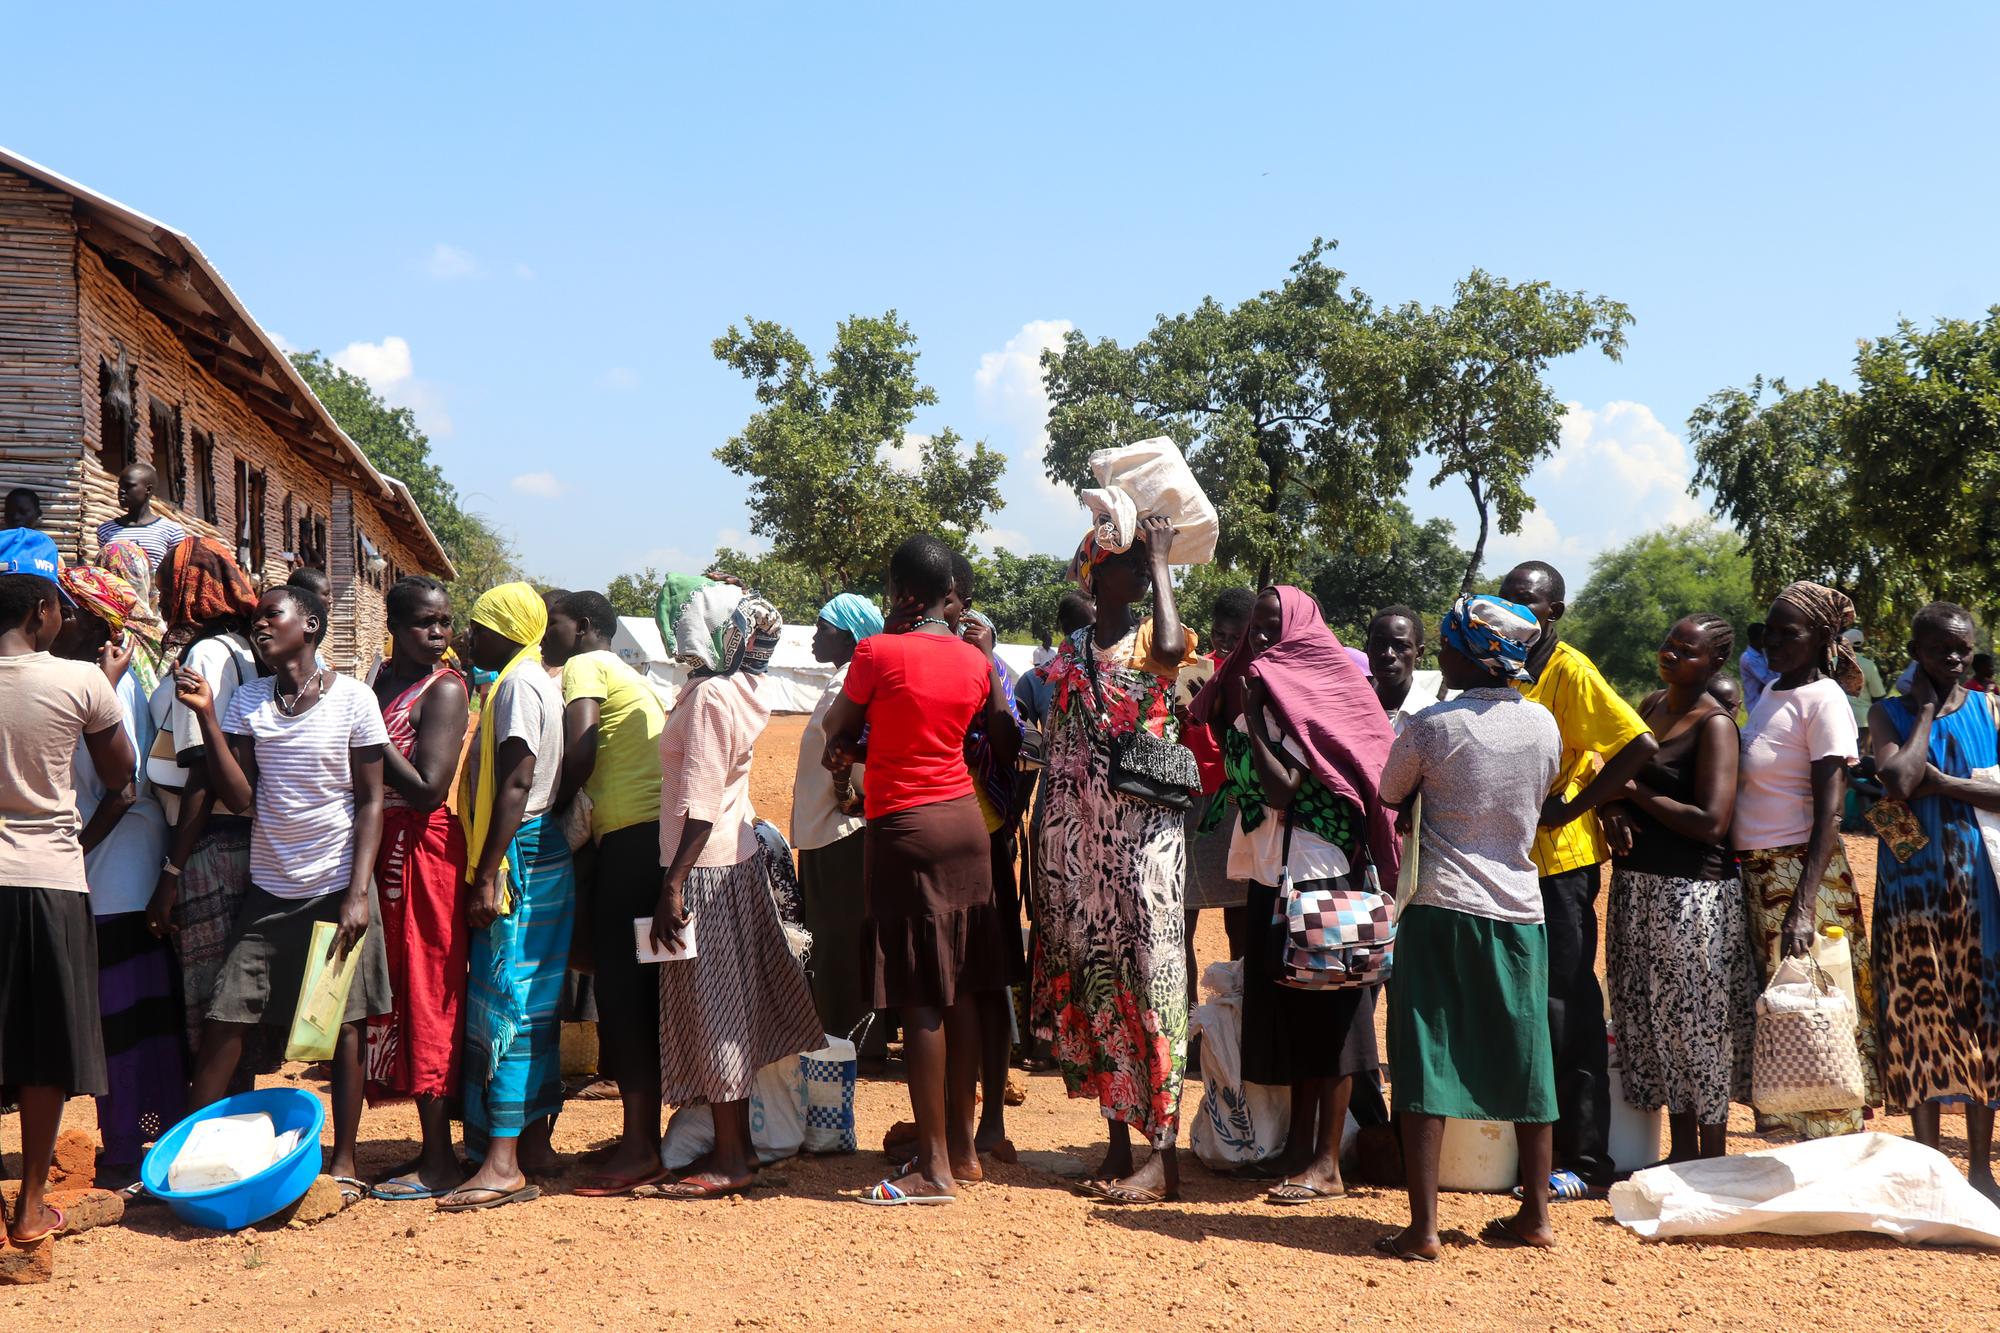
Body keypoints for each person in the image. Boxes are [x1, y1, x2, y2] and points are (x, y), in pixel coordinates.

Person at [174, 583, 392, 1198]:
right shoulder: (247, 700)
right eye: (256, 618)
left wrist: (357, 893)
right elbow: (241, 798)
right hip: (270, 890)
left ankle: (344, 1164)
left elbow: (372, 800)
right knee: (226, 1015)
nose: (261, 625)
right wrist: (208, 719)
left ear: (312, 625)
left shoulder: (353, 700)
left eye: (273, 614)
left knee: (342, 1024)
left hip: (336, 886)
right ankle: (186, 1155)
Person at [820, 539, 1018, 1203]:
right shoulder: (975, 659)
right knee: (961, 983)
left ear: (903, 592)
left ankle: (930, 1168)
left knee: (921, 991)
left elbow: (838, 730)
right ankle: (962, 1150)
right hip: (965, 825)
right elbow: (991, 726)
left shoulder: (877, 652)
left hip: (905, 828)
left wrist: (847, 747)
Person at [1192, 586, 1398, 1205]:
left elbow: (1282, 790)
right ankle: (1298, 1149)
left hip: (1318, 870)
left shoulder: (1312, 688)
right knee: (1291, 1015)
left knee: (1332, 1020)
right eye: (1254, 629)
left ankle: (1327, 1163)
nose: (1258, 639)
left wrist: (1256, 713)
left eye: (1271, 627)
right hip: (1268, 870)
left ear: (1303, 628)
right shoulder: (1258, 683)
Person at [1376, 593, 1561, 1260]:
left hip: (1443, 907)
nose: (1441, 654)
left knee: (1425, 1056)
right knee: (1527, 1057)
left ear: (1467, 653)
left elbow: (1389, 790)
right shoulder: (1544, 726)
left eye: (1448, 643)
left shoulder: (1434, 725)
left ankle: (1424, 1228)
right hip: (1519, 911)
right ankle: (1535, 1214)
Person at [1032, 513, 1196, 1205]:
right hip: (1081, 844)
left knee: (1154, 984)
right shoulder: (1069, 650)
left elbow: (1166, 647)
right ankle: (1119, 1143)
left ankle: (1165, 1157)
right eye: (1130, 563)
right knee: (1099, 985)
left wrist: (1162, 560)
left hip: (1146, 842)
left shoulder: (1160, 638)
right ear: (1095, 575)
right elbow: (1057, 740)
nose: (1140, 572)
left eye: (1144, 565)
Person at [645, 575, 822, 1200]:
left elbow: (696, 803)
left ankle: (729, 1156)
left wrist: (673, 883)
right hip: (732, 860)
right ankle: (736, 1145)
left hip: (705, 870)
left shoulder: (707, 698)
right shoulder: (741, 688)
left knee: (714, 1011)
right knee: (726, 1008)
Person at [1497, 560, 1657, 1194]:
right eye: (1506, 598)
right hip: (1507, 860)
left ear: (1552, 613)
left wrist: (1573, 805)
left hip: (1561, 862)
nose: (1514, 611)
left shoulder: (1569, 669)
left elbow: (1634, 743)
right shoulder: (1499, 667)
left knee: (1566, 1005)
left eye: (1527, 603)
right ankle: (1528, 1154)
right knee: (1521, 1006)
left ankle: (1585, 1161)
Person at [0, 529, 137, 1243]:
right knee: (44, 1048)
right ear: (42, 612)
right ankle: (27, 1211)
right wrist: (103, 690)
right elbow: (120, 776)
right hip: (49, 881)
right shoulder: (80, 679)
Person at [1605, 615, 1756, 1162]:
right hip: (1636, 885)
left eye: (1686, 650)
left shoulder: (1715, 726)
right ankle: (1680, 1152)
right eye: (1669, 644)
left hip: (1691, 895)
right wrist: (1615, 806)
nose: (1671, 654)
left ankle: (1711, 1157)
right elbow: (1615, 772)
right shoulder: (1650, 706)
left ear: (1714, 662)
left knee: (1697, 1023)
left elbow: (1711, 822)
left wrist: (1631, 792)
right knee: (1650, 1016)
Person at [1734, 580, 1879, 1138]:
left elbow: (1831, 814)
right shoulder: (1772, 690)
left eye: (1786, 633)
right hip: (1761, 872)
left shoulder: (1825, 701)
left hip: (1801, 874)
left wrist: (1803, 904)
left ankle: (1833, 1148)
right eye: (1768, 630)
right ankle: (1793, 1144)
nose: (1772, 641)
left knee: (1816, 1012)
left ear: (1821, 636)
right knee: (1782, 1013)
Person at [447, 583, 575, 1211]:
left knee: (508, 1003)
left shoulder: (520, 686)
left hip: (519, 850)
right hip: (538, 846)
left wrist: (488, 870)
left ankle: (501, 1162)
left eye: (479, 626)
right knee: (535, 1002)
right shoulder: (531, 680)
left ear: (507, 631)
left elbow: (516, 780)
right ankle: (532, 1142)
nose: (470, 639)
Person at [53, 563, 181, 1189]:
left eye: (61, 608)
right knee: (138, 1010)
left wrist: (73, 851)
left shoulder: (103, 685)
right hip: (122, 860)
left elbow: (122, 789)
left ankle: (128, 1147)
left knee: (123, 1012)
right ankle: (140, 1138)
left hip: (116, 863)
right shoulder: (101, 678)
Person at [1868, 603, 2000, 1201]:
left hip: (1978, 883)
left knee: (1981, 1017)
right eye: (1942, 649)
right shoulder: (1887, 713)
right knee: (1918, 1017)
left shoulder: (1988, 709)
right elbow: (1897, 782)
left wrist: (1945, 785)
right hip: (1909, 885)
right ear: (1916, 651)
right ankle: (1927, 1171)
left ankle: (1978, 1169)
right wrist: (1923, 710)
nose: (1954, 659)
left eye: (1963, 649)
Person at [545, 589, 670, 1197]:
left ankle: (642, 1144)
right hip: (652, 842)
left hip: (629, 843)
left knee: (623, 992)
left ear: (585, 628)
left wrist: (548, 814)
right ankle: (644, 1135)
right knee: (637, 989)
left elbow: (584, 742)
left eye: (556, 625)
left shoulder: (586, 666)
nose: (547, 637)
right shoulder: (634, 674)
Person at [365, 576, 472, 1201]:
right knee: (389, 992)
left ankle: (439, 1158)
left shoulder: (446, 690)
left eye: (445, 623)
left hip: (423, 852)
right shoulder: (379, 679)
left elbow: (431, 788)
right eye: (424, 623)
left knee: (427, 990)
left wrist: (367, 730)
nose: (437, 634)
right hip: (376, 847)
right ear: (394, 624)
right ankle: (418, 1146)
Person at [145, 537, 263, 1076]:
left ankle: (216, 1129)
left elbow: (200, 773)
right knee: (236, 998)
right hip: (244, 842)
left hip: (207, 847)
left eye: (167, 581)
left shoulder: (206, 655)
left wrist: (171, 872)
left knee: (210, 1001)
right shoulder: (244, 647)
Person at [793, 592, 883, 1064]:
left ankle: (846, 1047)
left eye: (823, 628)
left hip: (839, 832)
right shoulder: (846, 679)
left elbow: (856, 750)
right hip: (830, 829)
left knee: (838, 943)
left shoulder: (849, 684)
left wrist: (855, 797)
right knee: (841, 941)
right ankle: (854, 1044)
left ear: (849, 636)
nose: (814, 636)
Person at [1184, 587, 1256, 975]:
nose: (1226, 644)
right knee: (1183, 917)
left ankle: (1238, 1023)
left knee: (1240, 926)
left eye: (1235, 637)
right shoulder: (1194, 671)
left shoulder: (1256, 678)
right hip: (1193, 805)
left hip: (1235, 808)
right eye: (1219, 635)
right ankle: (1189, 1026)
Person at [1366, 605, 1445, 733]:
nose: (1388, 654)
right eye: (1379, 644)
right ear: (1367, 648)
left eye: (1401, 646)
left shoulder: (1433, 717)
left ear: (1418, 653)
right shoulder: (1350, 707)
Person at [96, 463, 188, 571]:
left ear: (148, 490)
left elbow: (177, 573)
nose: (121, 491)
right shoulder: (106, 530)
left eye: (129, 486)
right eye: (120, 486)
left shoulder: (172, 531)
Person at [1843, 627, 1888, 755]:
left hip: (1840, 716)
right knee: (1860, 755)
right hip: (1863, 720)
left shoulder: (1834, 663)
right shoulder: (1869, 665)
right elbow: (1878, 695)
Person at [1740, 622, 1775, 716]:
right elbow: (1770, 681)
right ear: (1757, 638)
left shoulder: (1764, 654)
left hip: (1768, 703)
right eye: (1764, 636)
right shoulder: (1749, 658)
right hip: (1756, 705)